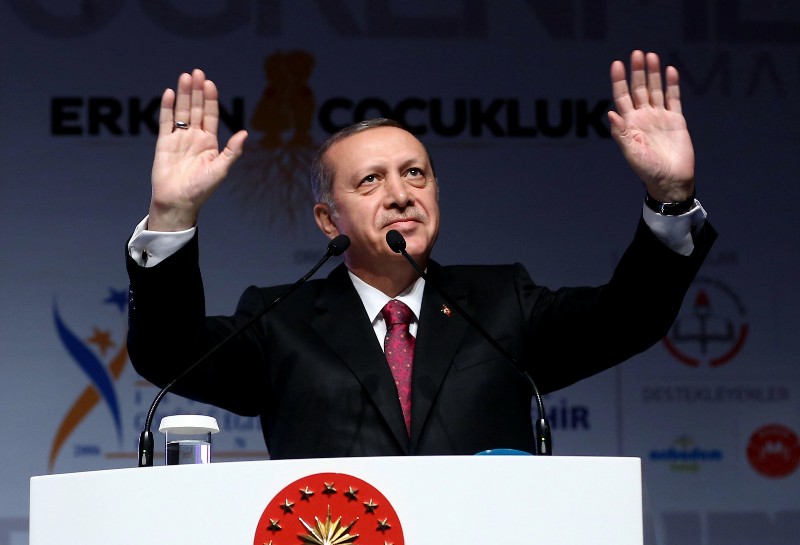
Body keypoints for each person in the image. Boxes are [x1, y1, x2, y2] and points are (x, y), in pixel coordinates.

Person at [127, 50, 716, 458]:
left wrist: (669, 198)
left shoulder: (501, 303)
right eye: (371, 181)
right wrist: (174, 216)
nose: (401, 193)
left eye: (416, 174)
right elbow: (167, 354)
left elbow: (628, 319)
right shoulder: (279, 321)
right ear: (328, 219)